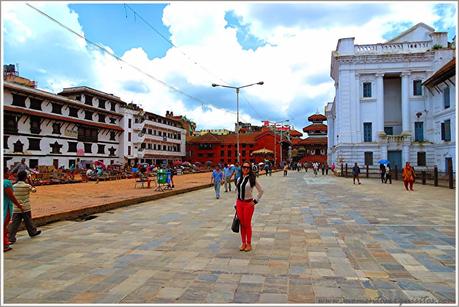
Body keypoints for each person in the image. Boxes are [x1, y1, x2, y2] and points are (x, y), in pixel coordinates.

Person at [235, 161, 264, 252]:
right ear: (241, 168)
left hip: (248, 204)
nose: (245, 169)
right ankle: (243, 242)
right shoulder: (239, 178)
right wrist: (236, 204)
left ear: (250, 169)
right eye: (244, 167)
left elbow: (261, 191)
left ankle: (249, 243)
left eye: (247, 167)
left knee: (247, 224)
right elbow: (237, 191)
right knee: (242, 224)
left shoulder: (252, 179)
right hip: (239, 203)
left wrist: (255, 201)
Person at [9, 171, 42, 244]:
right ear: (25, 177)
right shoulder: (27, 186)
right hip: (26, 207)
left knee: (14, 223)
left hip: (16, 207)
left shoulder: (13, 186)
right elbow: (34, 190)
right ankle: (32, 232)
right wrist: (30, 181)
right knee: (28, 221)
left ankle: (11, 237)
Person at [3, 168, 25, 252]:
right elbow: (11, 196)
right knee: (4, 225)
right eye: (7, 171)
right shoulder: (6, 183)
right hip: (6, 206)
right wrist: (19, 205)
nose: (9, 173)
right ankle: (4, 244)